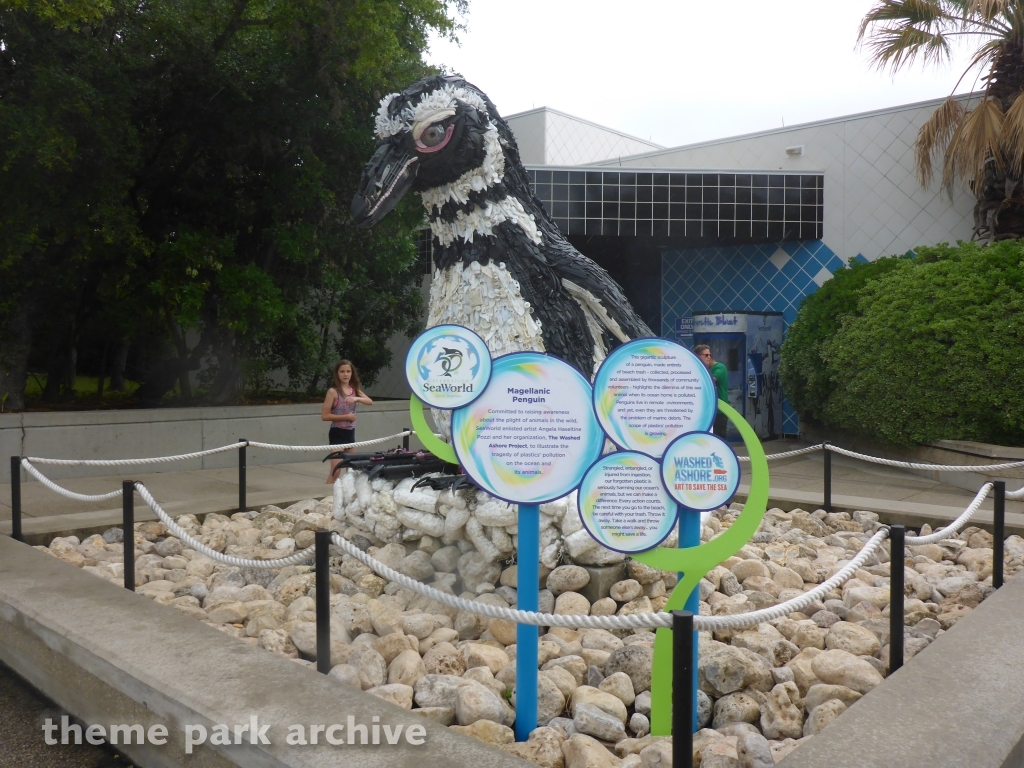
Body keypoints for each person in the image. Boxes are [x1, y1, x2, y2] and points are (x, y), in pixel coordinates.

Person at [322, 359, 373, 483]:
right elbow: (325, 416)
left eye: (348, 371)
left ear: (352, 373)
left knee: (352, 469)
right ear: (337, 374)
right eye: (342, 372)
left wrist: (356, 398)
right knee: (336, 470)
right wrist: (346, 417)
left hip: (350, 432)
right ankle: (327, 495)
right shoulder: (333, 392)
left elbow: (370, 402)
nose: (345, 374)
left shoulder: (354, 390)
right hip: (337, 432)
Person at [694, 344, 729, 438]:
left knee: (719, 438)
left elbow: (710, 381)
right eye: (705, 355)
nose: (709, 357)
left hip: (719, 412)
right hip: (706, 412)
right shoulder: (704, 369)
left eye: (710, 355)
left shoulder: (720, 367)